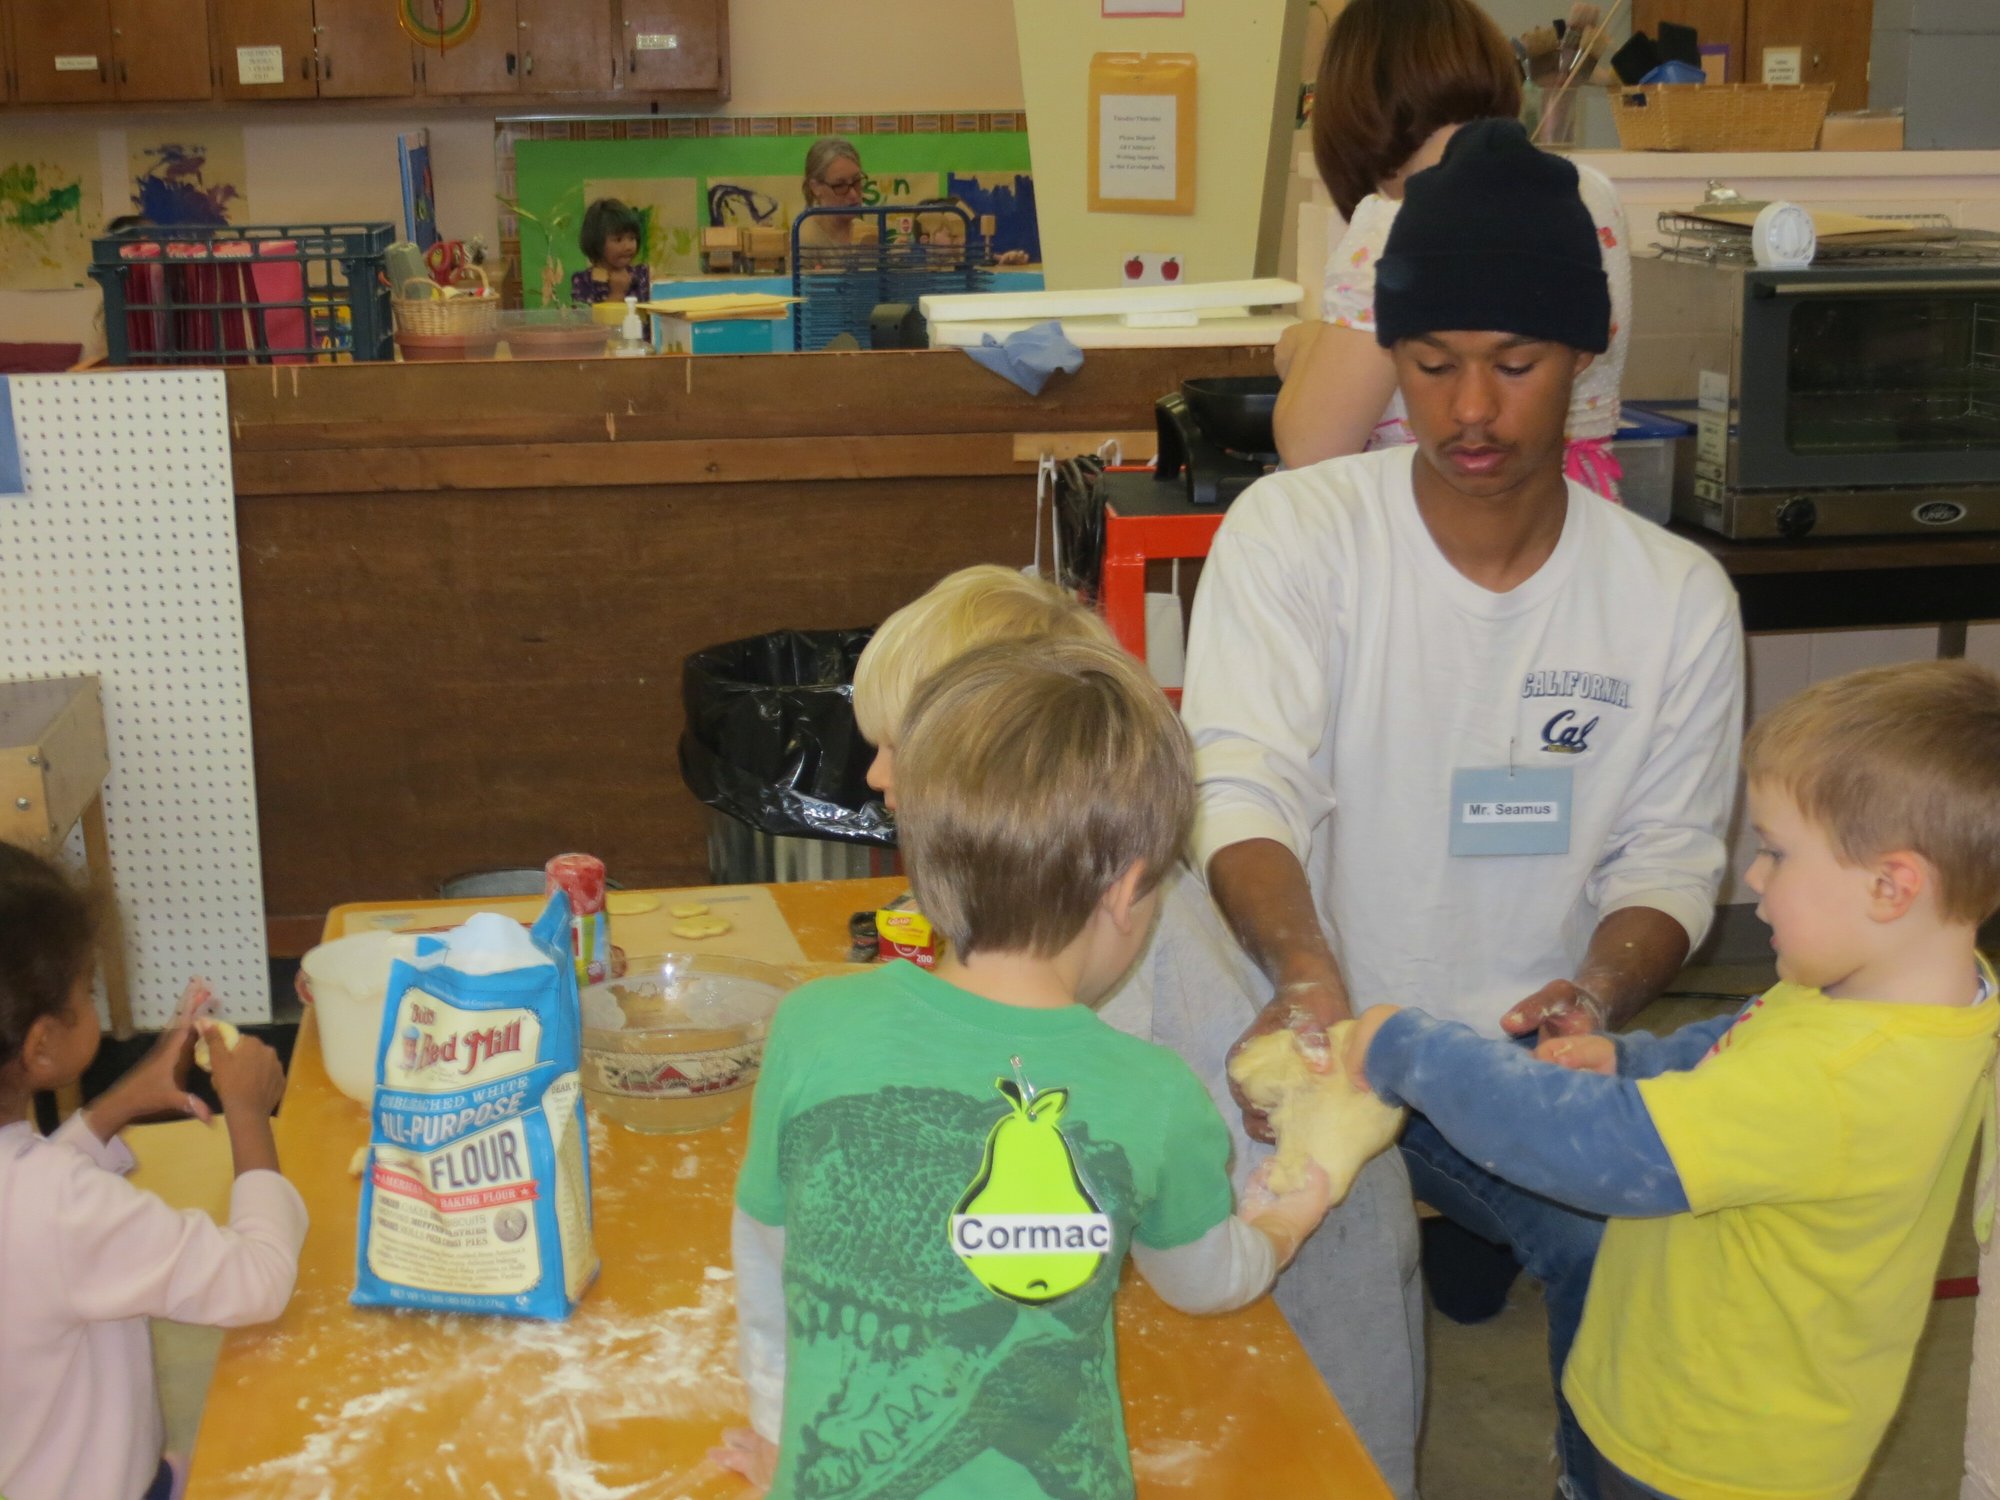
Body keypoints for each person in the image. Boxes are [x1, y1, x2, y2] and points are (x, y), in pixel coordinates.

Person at [1179, 118, 1744, 1500]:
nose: (1473, 411)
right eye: (1432, 367)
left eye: (1517, 364)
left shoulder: (1671, 599)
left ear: (1587, 355)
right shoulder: (1300, 538)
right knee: (1342, 1294)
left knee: (1641, 1264)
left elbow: (1671, 856)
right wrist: (1310, 976)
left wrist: (1600, 994)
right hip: (1311, 1029)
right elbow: (1240, 781)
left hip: (1516, 1055)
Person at [1342, 659, 2000, 1500]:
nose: (1751, 880)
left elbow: (1590, 1148)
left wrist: (1409, 1047)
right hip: (1684, 1399)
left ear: (1890, 884)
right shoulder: (1896, 994)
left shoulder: (1841, 1080)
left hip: (1699, 1455)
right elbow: (1742, 1041)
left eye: (1775, 853)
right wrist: (1633, 1060)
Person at [715, 637, 1333, 1497]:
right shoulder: (1152, 1096)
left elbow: (768, 1255)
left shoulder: (813, 1026)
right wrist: (1288, 1218)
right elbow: (1206, 1282)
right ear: (1126, 890)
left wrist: (788, 1437)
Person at [0, 845, 306, 1500]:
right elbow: (258, 1280)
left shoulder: (37, 1199)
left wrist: (117, 1105)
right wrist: (249, 1113)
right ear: (42, 1045)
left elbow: (28, 1210)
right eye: (86, 991)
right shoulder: (57, 1207)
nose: (92, 1000)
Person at [1273, 0, 1632, 501]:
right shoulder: (1589, 192)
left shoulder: (1399, 223)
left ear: (1356, 114)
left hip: (1448, 521)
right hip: (1574, 514)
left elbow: (1311, 446)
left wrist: (1299, 346)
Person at [570, 197, 649, 308]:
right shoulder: (584, 282)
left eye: (632, 238)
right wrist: (617, 293)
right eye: (618, 240)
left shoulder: (642, 275)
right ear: (597, 242)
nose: (628, 247)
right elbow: (589, 324)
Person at [796, 137, 870, 255]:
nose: (853, 194)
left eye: (857, 181)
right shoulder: (805, 241)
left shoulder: (864, 232)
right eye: (840, 185)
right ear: (816, 188)